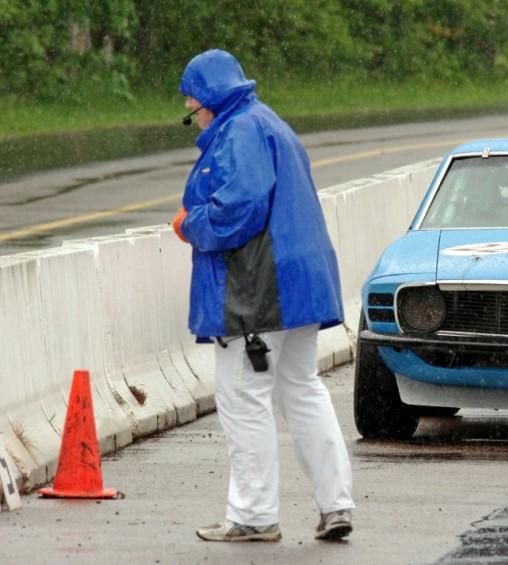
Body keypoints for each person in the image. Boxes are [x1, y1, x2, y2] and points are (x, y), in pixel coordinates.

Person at [172, 49, 354, 543]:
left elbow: (239, 208)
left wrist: (192, 224)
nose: (193, 114)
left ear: (209, 99)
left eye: (193, 106)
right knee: (302, 388)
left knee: (243, 396)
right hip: (302, 283)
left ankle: (253, 515)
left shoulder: (238, 132)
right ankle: (336, 503)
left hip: (258, 287)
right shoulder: (268, 121)